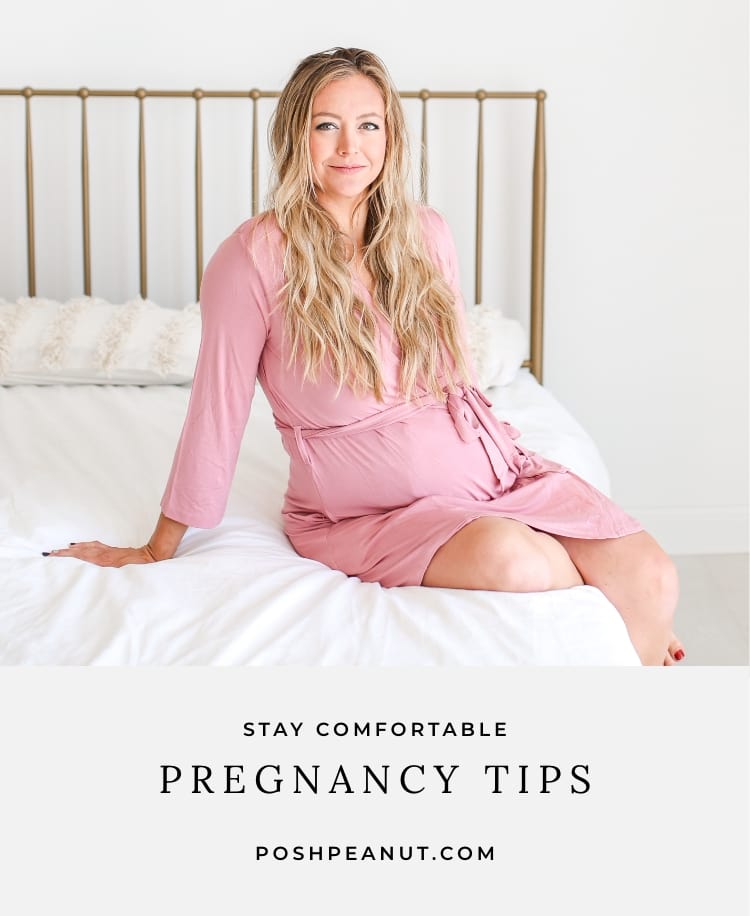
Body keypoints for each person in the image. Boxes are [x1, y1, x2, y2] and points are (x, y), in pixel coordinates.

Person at [47, 47, 683, 666]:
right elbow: (218, 410)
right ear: (296, 137)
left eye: (368, 125)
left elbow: (457, 381)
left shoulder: (426, 232)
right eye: (327, 125)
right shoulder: (253, 258)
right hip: (363, 514)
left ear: (391, 135)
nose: (350, 146)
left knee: (652, 576)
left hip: (490, 476)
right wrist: (158, 549)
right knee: (517, 562)